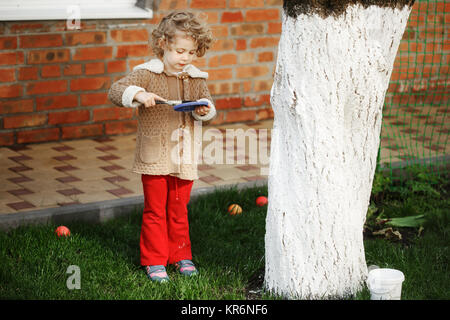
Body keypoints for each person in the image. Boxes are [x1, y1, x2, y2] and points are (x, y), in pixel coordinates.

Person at [107, 10, 216, 283]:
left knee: (178, 209)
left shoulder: (196, 78)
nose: (185, 58)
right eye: (180, 51)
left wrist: (203, 111)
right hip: (154, 156)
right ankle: (154, 260)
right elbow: (115, 91)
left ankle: (180, 255)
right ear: (163, 44)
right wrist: (139, 94)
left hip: (184, 156)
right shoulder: (147, 74)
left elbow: (207, 105)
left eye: (191, 52)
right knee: (156, 209)